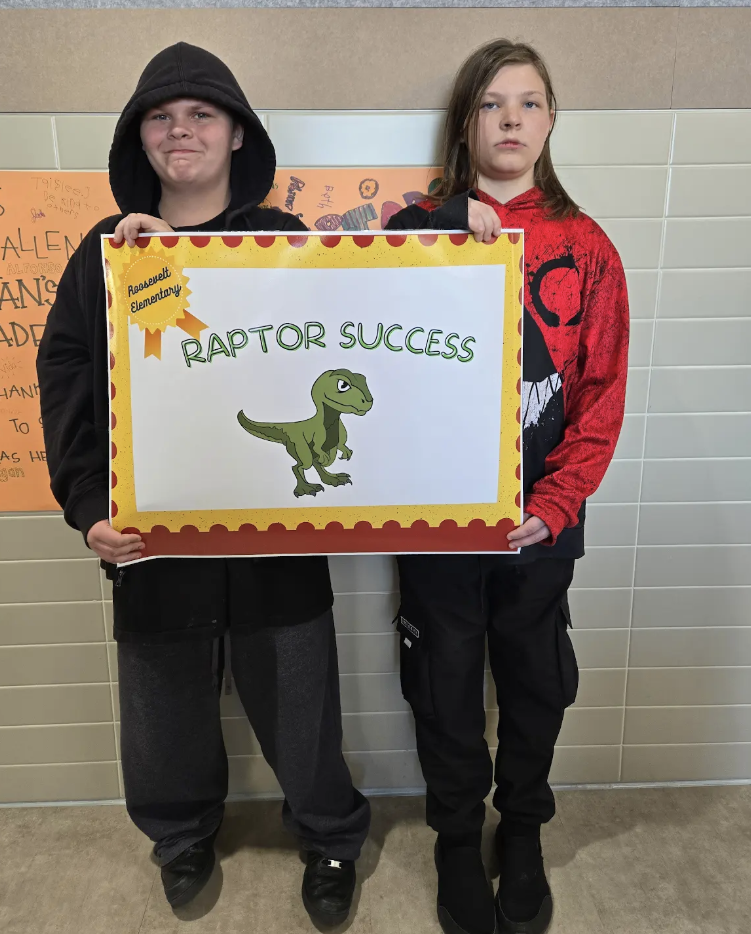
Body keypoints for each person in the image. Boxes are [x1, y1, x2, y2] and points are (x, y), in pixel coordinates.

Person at [36, 42, 369, 924]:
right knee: (162, 705)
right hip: (151, 533)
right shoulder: (106, 256)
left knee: (300, 696)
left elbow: (354, 335)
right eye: (160, 115)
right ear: (139, 138)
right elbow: (67, 371)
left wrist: (463, 224)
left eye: (200, 115)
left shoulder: (284, 244)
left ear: (235, 136)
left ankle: (331, 834)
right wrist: (85, 505)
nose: (179, 129)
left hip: (276, 528)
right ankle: (179, 836)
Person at [385, 39, 629, 934]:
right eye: (493, 104)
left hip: (540, 530)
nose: (513, 119)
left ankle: (519, 830)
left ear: (552, 120)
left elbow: (601, 397)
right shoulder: (416, 227)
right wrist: (447, 222)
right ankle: (457, 839)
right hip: (437, 525)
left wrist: (556, 503)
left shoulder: (588, 247)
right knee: (443, 688)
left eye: (529, 103)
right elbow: (345, 311)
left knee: (534, 685)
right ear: (466, 122)